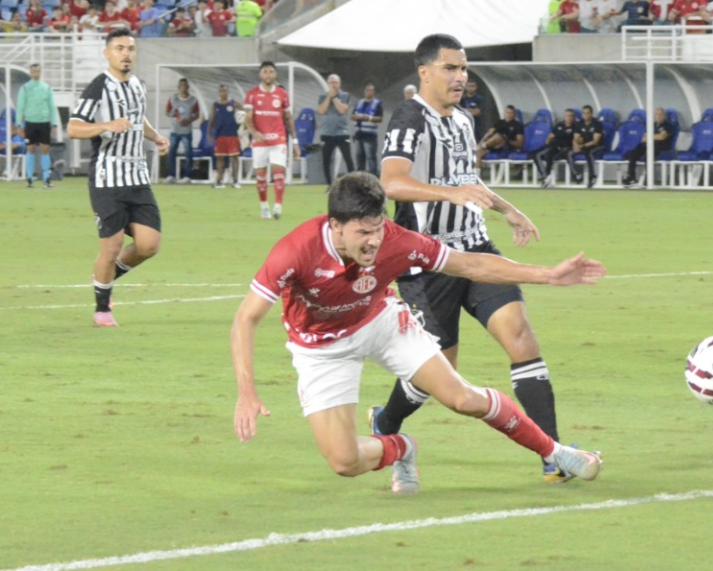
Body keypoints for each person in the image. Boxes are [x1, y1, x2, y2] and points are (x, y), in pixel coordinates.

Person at [230, 173, 606, 493]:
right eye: (363, 233)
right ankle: (402, 447)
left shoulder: (397, 240)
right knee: (344, 462)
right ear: (335, 226)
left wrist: (547, 275)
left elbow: (470, 264)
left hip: (380, 321)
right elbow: (245, 319)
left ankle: (555, 453)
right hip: (321, 348)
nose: (374, 241)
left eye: (377, 229)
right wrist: (247, 392)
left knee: (462, 398)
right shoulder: (295, 251)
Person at [371, 33, 580, 485]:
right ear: (424, 72)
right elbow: (392, 182)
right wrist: (451, 193)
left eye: (464, 68)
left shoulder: (464, 122)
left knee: (521, 337)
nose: (461, 77)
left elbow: (466, 180)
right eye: (450, 68)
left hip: (476, 246)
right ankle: (385, 425)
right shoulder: (410, 118)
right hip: (427, 261)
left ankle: (554, 454)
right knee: (438, 373)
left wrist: (508, 210)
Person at [65, 28, 170, 328]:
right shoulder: (98, 87)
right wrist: (105, 125)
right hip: (107, 179)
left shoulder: (137, 84)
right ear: (107, 53)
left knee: (149, 245)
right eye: (120, 48)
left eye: (131, 48)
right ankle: (102, 309)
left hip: (137, 177)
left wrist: (155, 137)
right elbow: (73, 128)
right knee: (110, 248)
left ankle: (106, 276)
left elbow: (139, 120)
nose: (126, 54)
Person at [242, 60, 297, 219]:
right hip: (260, 141)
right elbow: (248, 118)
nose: (268, 74)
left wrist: (294, 141)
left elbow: (288, 118)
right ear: (260, 74)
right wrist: (254, 132)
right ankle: (264, 206)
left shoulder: (282, 94)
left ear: (275, 74)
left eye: (271, 72)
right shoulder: (252, 94)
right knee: (261, 174)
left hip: (278, 139)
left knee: (278, 171)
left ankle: (278, 207)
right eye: (265, 72)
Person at [17, 63, 57, 188]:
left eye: (38, 71)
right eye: (34, 71)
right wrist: (19, 124)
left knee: (45, 149)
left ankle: (46, 178)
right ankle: (29, 178)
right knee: (30, 149)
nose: (36, 73)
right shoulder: (25, 88)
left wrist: (54, 123)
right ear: (30, 73)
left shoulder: (46, 87)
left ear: (41, 72)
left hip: (44, 122)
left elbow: (52, 106)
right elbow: (20, 107)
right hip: (30, 122)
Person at [316, 74, 353, 185]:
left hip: (342, 133)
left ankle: (353, 185)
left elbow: (342, 110)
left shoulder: (345, 96)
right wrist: (329, 97)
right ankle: (330, 185)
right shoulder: (322, 96)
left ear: (339, 84)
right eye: (331, 83)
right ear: (328, 84)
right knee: (326, 160)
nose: (333, 85)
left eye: (335, 82)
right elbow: (321, 111)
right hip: (327, 133)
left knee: (348, 159)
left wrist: (334, 98)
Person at [621, 106, 672, 187]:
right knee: (632, 153)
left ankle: (648, 179)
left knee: (648, 155)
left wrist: (650, 136)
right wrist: (653, 136)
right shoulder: (652, 125)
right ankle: (631, 177)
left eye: (660, 114)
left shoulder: (667, 126)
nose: (658, 116)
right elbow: (643, 138)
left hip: (661, 147)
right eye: (657, 114)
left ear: (664, 116)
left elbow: (662, 137)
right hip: (648, 145)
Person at [163, 77, 202, 184]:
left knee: (188, 153)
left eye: (185, 85)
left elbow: (197, 114)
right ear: (178, 87)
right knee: (171, 153)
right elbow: (167, 111)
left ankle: (187, 176)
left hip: (186, 131)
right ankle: (171, 175)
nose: (183, 87)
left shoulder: (193, 100)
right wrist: (172, 114)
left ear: (188, 87)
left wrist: (189, 120)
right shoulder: (173, 98)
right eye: (181, 85)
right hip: (174, 130)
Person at [532, 107, 580, 187]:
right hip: (554, 145)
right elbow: (550, 136)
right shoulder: (559, 125)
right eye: (567, 115)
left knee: (544, 155)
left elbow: (576, 139)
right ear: (564, 116)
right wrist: (547, 144)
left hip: (564, 148)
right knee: (535, 154)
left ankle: (546, 177)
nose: (568, 117)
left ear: (573, 117)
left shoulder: (576, 127)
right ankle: (546, 177)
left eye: (570, 116)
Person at [210, 85, 242, 188]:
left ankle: (235, 181)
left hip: (232, 134)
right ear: (218, 92)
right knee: (220, 158)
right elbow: (212, 119)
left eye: (225, 91)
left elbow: (245, 113)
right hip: (220, 135)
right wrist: (209, 133)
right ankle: (219, 181)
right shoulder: (215, 105)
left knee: (234, 157)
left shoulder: (233, 103)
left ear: (228, 92)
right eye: (221, 91)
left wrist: (243, 125)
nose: (223, 93)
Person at [351, 83, 384, 174]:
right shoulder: (359, 102)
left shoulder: (376, 103)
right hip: (359, 134)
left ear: (374, 92)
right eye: (367, 90)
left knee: (371, 158)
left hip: (370, 135)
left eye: (371, 90)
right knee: (359, 157)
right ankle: (359, 178)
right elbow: (352, 115)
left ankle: (373, 177)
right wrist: (357, 117)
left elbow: (380, 118)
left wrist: (368, 117)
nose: (369, 92)